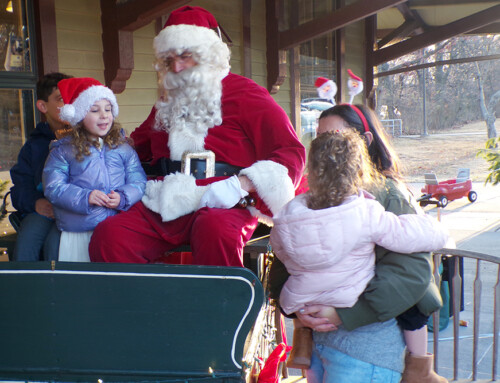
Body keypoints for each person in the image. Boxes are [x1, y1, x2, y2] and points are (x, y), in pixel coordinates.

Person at [88, 6, 305, 267]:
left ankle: (223, 306)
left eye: (186, 57)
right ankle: (144, 306)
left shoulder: (246, 93)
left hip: (225, 202)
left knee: (215, 230)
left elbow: (290, 151)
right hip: (166, 198)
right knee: (111, 236)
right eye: (170, 60)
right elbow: (137, 145)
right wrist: (89, 146)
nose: (177, 68)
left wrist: (241, 185)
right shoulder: (167, 100)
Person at [269, 104, 448, 383]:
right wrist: (297, 312)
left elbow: (409, 273)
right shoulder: (305, 202)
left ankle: (420, 369)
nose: (326, 147)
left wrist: (344, 314)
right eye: (319, 138)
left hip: (365, 351)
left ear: (363, 142)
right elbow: (282, 261)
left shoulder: (384, 195)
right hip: (320, 343)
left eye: (336, 137)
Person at [42, 77, 147, 262]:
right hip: (79, 232)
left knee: (112, 279)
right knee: (81, 282)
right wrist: (85, 197)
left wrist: (123, 197)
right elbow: (54, 187)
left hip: (116, 229)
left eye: (108, 109)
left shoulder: (123, 148)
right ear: (80, 116)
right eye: (95, 110)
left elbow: (138, 181)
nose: (104, 115)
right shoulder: (63, 150)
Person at [10, 72, 72, 261]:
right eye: (62, 99)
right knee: (27, 239)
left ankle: (57, 288)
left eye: (73, 98)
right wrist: (35, 203)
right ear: (42, 106)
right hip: (45, 209)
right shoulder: (34, 145)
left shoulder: (86, 137)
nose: (69, 104)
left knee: (55, 245)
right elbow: (20, 187)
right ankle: (25, 287)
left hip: (75, 209)